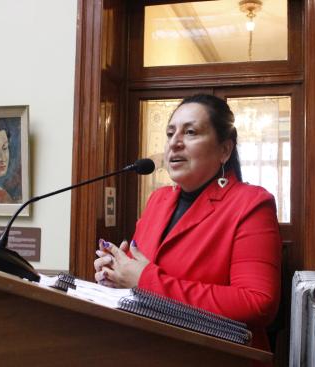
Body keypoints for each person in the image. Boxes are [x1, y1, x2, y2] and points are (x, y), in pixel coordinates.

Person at [94, 94, 282, 355]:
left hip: (215, 358)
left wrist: (146, 281)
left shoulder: (251, 204)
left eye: (190, 132)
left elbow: (258, 302)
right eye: (170, 133)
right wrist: (114, 271)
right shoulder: (157, 201)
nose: (175, 143)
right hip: (144, 350)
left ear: (224, 150)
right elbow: (136, 269)